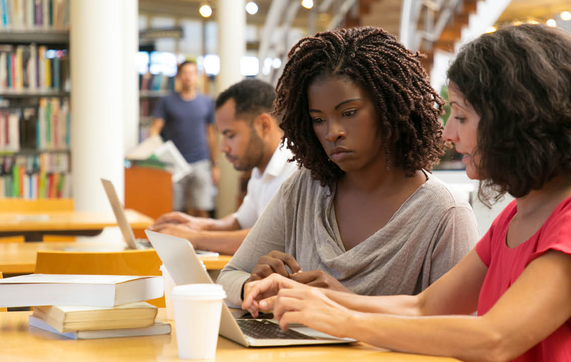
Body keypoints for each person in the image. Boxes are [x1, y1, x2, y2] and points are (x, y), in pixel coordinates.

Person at [242, 25, 571, 362]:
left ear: (514, 120)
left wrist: (346, 320)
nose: (447, 134)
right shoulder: (519, 216)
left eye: (461, 116)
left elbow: (494, 338)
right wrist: (313, 298)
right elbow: (426, 306)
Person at [217, 27, 479, 308]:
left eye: (349, 113)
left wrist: (344, 303)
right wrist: (256, 287)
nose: (333, 132)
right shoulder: (303, 189)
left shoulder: (445, 214)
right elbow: (228, 278)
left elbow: (454, 333)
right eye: (318, 119)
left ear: (388, 108)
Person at [149, 79, 298, 255]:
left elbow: (266, 240)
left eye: (230, 135)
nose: (223, 148)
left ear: (264, 125)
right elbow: (241, 222)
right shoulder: (261, 171)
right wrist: (201, 225)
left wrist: (194, 237)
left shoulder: (295, 168)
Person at [149, 60, 219, 217]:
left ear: (197, 76)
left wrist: (215, 165)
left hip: (200, 161)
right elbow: (154, 132)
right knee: (175, 210)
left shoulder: (206, 102)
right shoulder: (167, 102)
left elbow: (210, 134)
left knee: (201, 208)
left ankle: (204, 242)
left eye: (192, 73)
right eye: (185, 73)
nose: (188, 77)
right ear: (179, 76)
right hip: (175, 163)